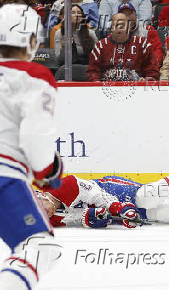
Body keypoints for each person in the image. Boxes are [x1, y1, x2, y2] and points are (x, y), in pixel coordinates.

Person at [0, 3, 64, 290]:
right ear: (30, 40)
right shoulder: (34, 76)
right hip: (4, 174)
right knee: (40, 248)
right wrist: (48, 169)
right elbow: (35, 137)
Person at [37, 164, 169, 228]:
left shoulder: (65, 185)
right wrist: (91, 219)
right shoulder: (48, 218)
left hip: (112, 190)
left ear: (40, 196)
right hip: (114, 209)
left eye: (41, 209)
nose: (46, 215)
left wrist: (120, 209)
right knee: (162, 215)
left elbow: (101, 198)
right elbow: (75, 218)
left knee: (147, 196)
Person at [87, 13, 160, 81]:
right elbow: (92, 71)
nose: (119, 29)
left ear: (129, 27)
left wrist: (146, 81)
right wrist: (97, 84)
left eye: (122, 25)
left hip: (137, 90)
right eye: (116, 25)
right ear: (111, 28)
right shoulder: (100, 46)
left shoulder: (142, 44)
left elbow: (153, 70)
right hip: (107, 89)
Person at [54, 4, 98, 81]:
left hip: (87, 68)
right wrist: (64, 47)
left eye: (79, 13)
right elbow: (58, 59)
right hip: (68, 69)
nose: (77, 15)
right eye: (73, 12)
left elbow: (97, 56)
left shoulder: (90, 33)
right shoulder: (60, 33)